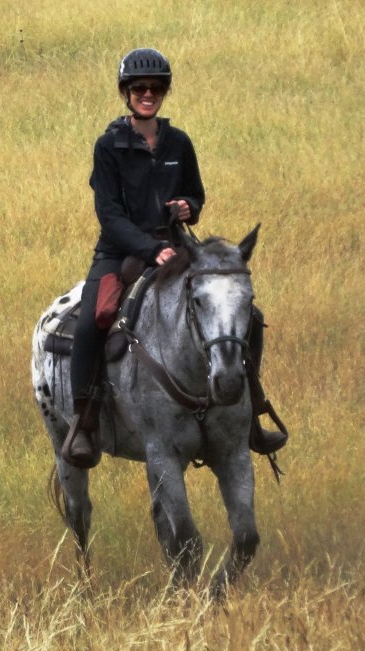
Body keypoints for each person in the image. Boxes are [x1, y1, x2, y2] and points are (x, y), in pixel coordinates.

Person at [63, 49, 287, 468]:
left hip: (178, 246)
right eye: (140, 88)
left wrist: (188, 207)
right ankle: (84, 419)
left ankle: (252, 411)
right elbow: (109, 214)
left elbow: (196, 193)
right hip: (120, 250)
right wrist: (149, 249)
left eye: (156, 88)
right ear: (126, 93)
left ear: (164, 92)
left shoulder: (178, 142)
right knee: (94, 317)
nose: (148, 94)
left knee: (248, 315)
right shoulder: (108, 145)